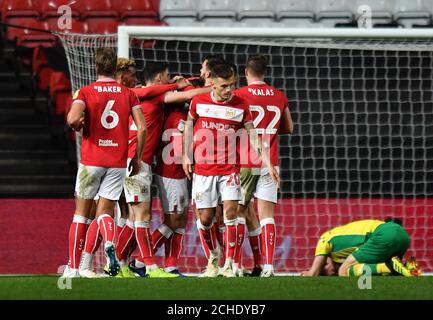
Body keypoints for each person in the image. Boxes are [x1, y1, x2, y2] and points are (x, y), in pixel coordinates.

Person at [183, 62, 280, 277]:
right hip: (203, 171)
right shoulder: (198, 102)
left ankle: (228, 264)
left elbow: (254, 136)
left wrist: (269, 164)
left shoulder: (240, 105)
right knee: (206, 219)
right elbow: (189, 126)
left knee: (231, 214)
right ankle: (214, 254)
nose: (229, 90)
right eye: (224, 86)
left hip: (230, 170)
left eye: (232, 85)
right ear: (213, 84)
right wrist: (185, 155)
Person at [63, 48, 147, 278]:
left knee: (81, 215)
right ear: (114, 68)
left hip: (92, 161)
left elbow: (72, 118)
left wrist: (77, 125)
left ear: (96, 67)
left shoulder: (86, 91)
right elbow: (142, 127)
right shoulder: (128, 93)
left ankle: (73, 268)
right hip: (118, 162)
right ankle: (109, 241)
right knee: (105, 211)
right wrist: (137, 158)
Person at [124, 62, 211, 278]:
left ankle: (167, 265)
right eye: (167, 75)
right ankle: (132, 261)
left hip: (146, 164)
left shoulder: (144, 96)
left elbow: (179, 93)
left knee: (144, 217)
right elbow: (184, 95)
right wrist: (212, 88)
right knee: (145, 218)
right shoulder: (154, 97)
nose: (170, 78)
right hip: (153, 166)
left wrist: (184, 84)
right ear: (160, 77)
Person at [234, 54, 293, 277]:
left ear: (246, 72)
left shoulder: (239, 95)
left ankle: (237, 265)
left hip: (246, 161)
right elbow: (289, 127)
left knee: (238, 213)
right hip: (271, 162)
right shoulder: (279, 96)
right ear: (265, 73)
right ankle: (269, 266)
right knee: (266, 215)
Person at [301, 218, 421, 277]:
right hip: (403, 236)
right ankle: (408, 266)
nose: (329, 270)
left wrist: (306, 273)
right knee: (381, 270)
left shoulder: (324, 239)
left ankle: (390, 266)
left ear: (327, 258)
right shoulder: (344, 246)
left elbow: (313, 273)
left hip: (384, 233)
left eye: (324, 265)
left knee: (343, 271)